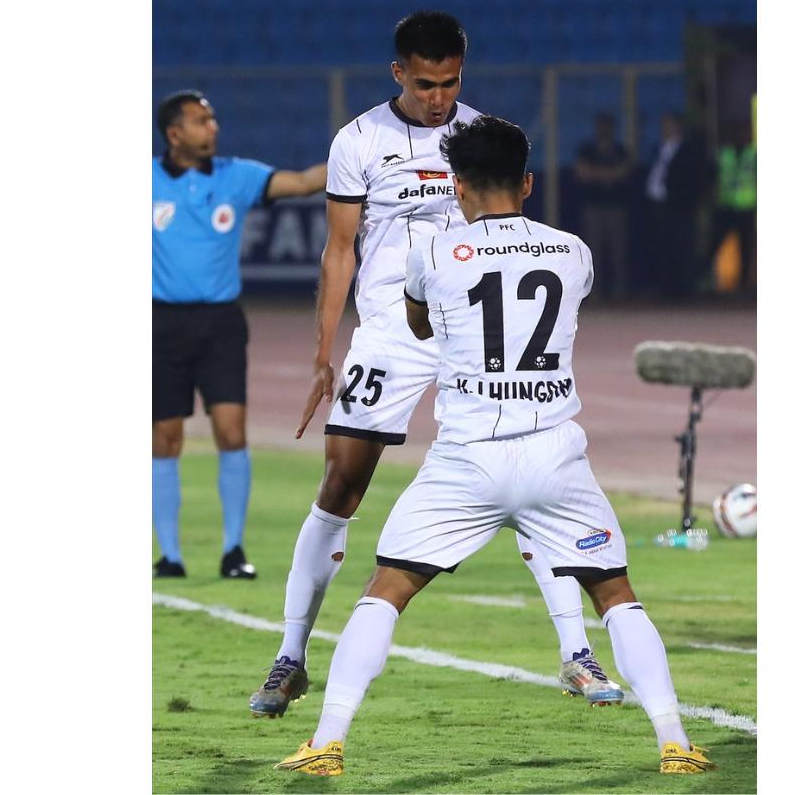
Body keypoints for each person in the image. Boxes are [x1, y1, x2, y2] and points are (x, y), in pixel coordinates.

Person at [275, 116, 715, 777]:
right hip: (554, 455)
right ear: (529, 183)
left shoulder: (434, 254)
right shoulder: (573, 252)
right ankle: (675, 741)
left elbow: (421, 322)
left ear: (457, 188)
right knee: (617, 593)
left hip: (468, 457)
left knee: (385, 589)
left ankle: (328, 741)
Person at [250, 12, 620, 718]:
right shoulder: (359, 141)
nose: (439, 98)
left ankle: (576, 653)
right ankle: (291, 657)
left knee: (530, 478)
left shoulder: (478, 136)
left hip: (467, 331)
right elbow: (340, 250)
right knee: (340, 485)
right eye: (425, 85)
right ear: (399, 74)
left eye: (450, 82)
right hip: (390, 333)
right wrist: (323, 353)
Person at [152, 90, 327, 579]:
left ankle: (233, 550)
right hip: (160, 324)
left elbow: (302, 182)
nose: (213, 128)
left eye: (212, 120)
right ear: (174, 134)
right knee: (163, 440)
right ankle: (170, 555)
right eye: (201, 121)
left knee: (231, 433)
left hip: (221, 324)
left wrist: (367, 152)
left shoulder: (237, 176)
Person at [642, 112, 704, 300]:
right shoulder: (658, 148)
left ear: (677, 127)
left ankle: (685, 290)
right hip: (659, 206)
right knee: (663, 246)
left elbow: (692, 178)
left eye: (668, 125)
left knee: (682, 246)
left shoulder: (688, 150)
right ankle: (666, 288)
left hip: (679, 206)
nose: (664, 129)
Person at [573, 113, 631, 301]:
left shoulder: (620, 149)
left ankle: (619, 292)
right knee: (593, 251)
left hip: (616, 208)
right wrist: (609, 174)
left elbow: (624, 172)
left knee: (618, 251)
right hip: (593, 207)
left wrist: (596, 173)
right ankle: (595, 292)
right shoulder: (587, 149)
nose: (604, 130)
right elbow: (582, 173)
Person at [707, 120, 757, 295]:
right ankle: (704, 280)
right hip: (725, 207)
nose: (743, 137)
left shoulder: (754, 155)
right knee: (714, 245)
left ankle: (744, 286)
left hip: (746, 207)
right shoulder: (724, 154)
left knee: (746, 248)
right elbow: (712, 178)